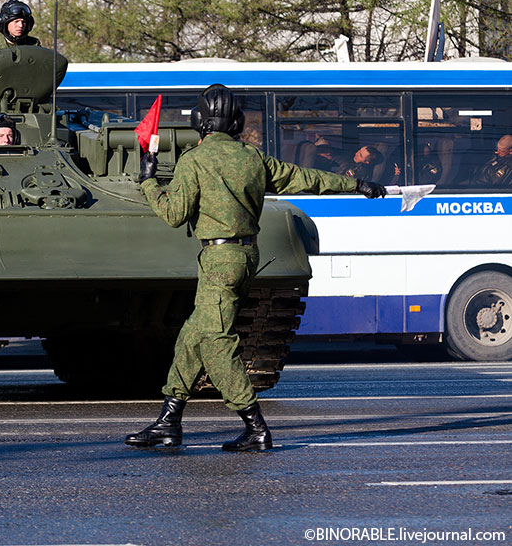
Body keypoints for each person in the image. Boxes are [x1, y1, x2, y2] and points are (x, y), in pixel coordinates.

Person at [129, 84, 386, 452]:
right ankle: (169, 421)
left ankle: (255, 426)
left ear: (200, 122)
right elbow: (306, 178)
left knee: (216, 342)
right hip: (246, 256)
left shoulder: (194, 160)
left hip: (219, 259)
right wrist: (357, 183)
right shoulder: (252, 157)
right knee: (194, 335)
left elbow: (173, 214)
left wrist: (149, 181)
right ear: (235, 123)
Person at [315, 144, 383, 181]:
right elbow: (343, 160)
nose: (356, 153)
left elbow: (342, 179)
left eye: (360, 155)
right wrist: (328, 157)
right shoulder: (354, 161)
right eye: (359, 151)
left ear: (366, 162)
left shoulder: (359, 171)